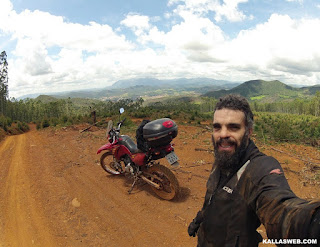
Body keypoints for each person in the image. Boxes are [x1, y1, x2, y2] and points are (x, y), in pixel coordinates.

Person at [188, 94, 320, 246]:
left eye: (233, 127)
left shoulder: (259, 168)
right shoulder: (224, 157)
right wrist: (200, 219)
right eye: (217, 127)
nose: (223, 134)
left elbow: (282, 212)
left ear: (248, 132)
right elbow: (212, 198)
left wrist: (312, 224)